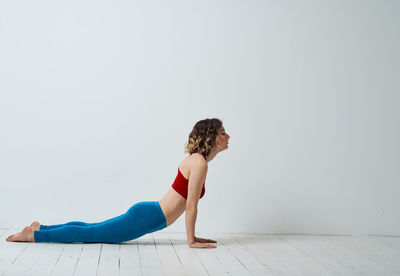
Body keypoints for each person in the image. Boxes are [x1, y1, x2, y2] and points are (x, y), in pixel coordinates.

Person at [6, 118, 230, 249]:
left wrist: (193, 237)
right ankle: (34, 235)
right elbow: (191, 205)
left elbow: (188, 203)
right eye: (222, 133)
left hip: (148, 214)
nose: (227, 136)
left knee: (92, 229)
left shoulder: (197, 161)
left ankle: (40, 228)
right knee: (92, 233)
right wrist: (191, 240)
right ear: (210, 136)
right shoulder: (199, 163)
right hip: (148, 217)